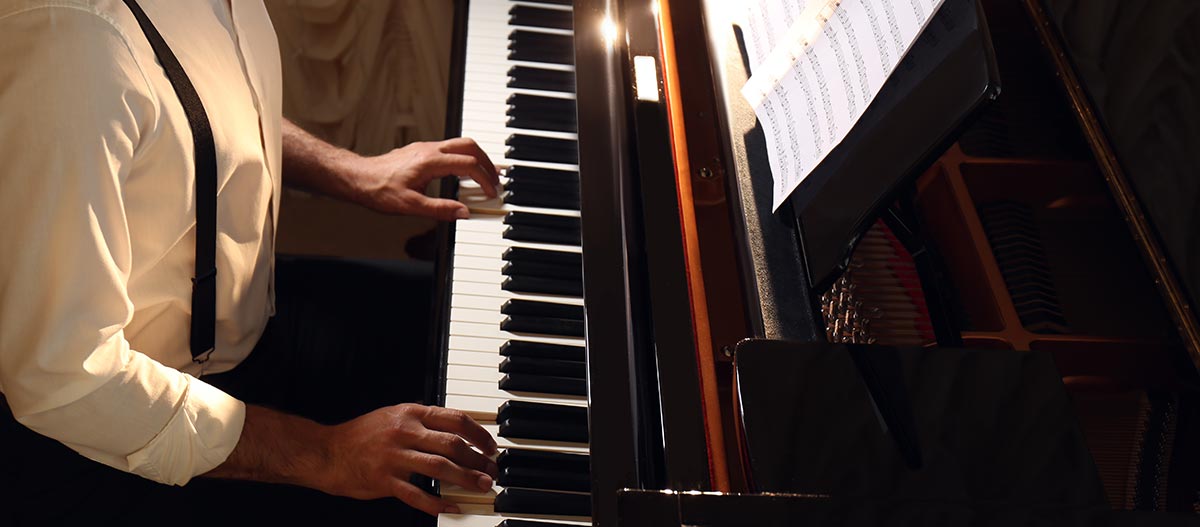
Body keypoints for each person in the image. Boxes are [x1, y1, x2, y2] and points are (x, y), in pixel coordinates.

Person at [0, 0, 499, 523]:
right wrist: (326, 453)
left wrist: (351, 170)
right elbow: (65, 379)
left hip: (249, 321)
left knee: (477, 323)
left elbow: (190, 102)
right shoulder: (70, 46)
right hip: (116, 432)